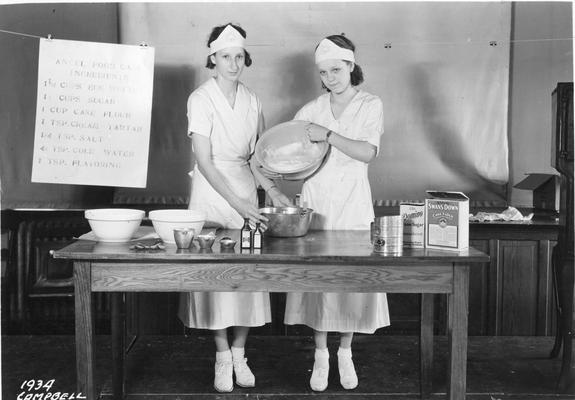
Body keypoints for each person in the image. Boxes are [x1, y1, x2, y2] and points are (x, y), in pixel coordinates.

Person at [178, 23, 291, 393]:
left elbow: (259, 157)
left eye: (238, 56)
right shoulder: (200, 98)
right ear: (212, 58)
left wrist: (271, 192)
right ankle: (222, 355)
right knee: (215, 277)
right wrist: (239, 203)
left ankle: (240, 352)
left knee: (247, 275)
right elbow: (206, 162)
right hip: (213, 194)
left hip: (246, 189)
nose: (233, 63)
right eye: (226, 56)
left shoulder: (253, 100)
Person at [284, 34, 389, 391]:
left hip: (354, 201)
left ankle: (345, 351)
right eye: (324, 72)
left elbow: (367, 153)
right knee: (319, 282)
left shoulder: (370, 104)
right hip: (318, 203)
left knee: (350, 282)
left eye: (337, 69)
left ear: (351, 66)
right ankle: (320, 355)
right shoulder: (311, 110)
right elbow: (290, 152)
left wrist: (327, 135)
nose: (330, 77)